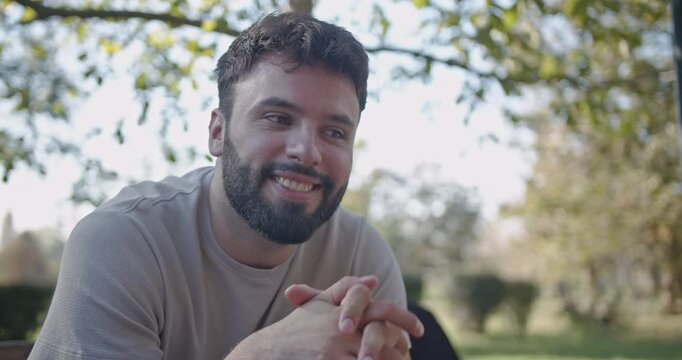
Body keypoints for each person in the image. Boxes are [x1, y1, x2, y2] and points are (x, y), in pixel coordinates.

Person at [29, 12, 423, 360]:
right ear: (218, 132)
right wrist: (262, 354)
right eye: (277, 118)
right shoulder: (122, 244)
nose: (308, 151)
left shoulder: (360, 255)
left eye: (334, 132)